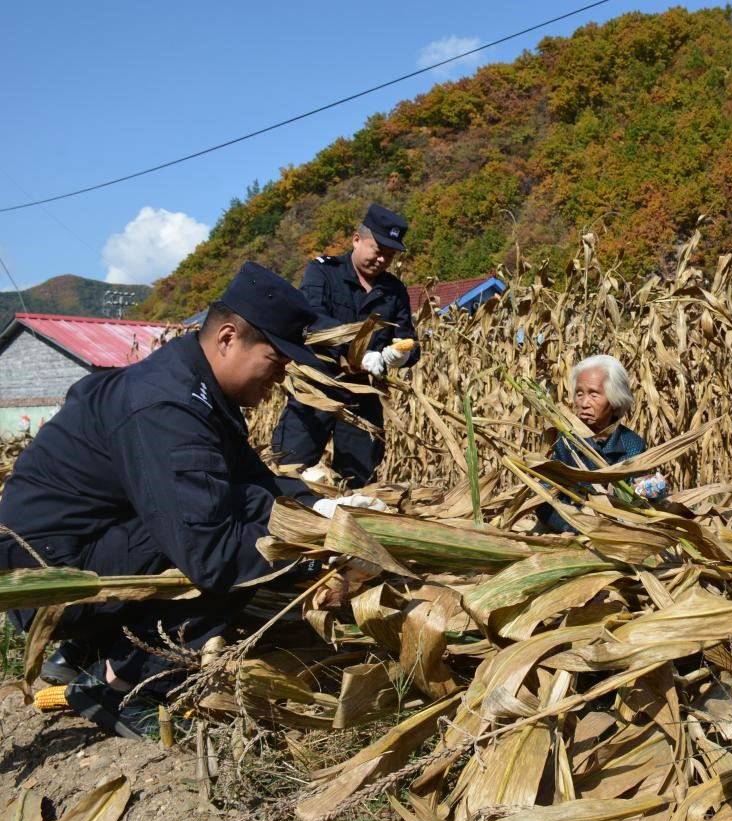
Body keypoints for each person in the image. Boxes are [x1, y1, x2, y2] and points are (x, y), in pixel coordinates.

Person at [0, 262, 375, 739]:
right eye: (275, 362)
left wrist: (326, 509)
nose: (279, 379)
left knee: (225, 514)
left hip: (75, 551)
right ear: (226, 338)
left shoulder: (195, 388)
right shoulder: (167, 407)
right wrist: (308, 553)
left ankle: (82, 654)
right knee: (224, 553)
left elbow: (255, 482)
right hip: (45, 580)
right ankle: (124, 688)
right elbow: (211, 553)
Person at [270, 203, 420, 487]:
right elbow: (311, 321)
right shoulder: (323, 272)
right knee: (289, 466)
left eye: (389, 256)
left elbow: (407, 338)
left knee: (357, 479)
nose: (382, 260)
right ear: (356, 239)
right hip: (317, 386)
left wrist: (399, 355)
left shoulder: (394, 291)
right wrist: (357, 353)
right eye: (378, 250)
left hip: (362, 396)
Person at [535, 355, 666, 533]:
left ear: (614, 399)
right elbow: (544, 501)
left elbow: (639, 499)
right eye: (579, 394)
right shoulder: (564, 443)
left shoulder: (632, 446)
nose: (583, 403)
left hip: (619, 536)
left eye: (594, 394)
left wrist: (648, 491)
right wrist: (576, 528)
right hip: (571, 535)